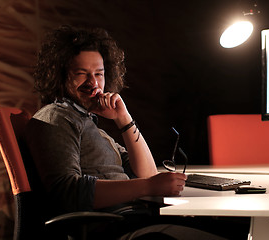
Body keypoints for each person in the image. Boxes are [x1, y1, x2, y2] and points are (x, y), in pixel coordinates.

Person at [26, 25, 235, 239]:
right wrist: (147, 186)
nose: (93, 83)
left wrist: (123, 119)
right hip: (114, 228)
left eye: (99, 74)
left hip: (137, 219)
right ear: (60, 76)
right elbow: (67, 191)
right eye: (81, 74)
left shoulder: (94, 128)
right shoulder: (56, 117)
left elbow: (147, 173)